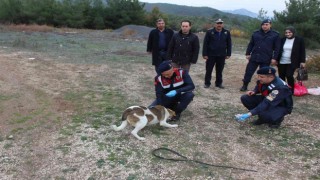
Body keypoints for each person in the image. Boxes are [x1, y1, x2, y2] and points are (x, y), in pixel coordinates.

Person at [240, 19, 281, 91]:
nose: (264, 26)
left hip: (266, 58)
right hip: (255, 56)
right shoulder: (256, 33)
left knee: (264, 74)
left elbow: (277, 48)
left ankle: (260, 88)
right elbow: (251, 44)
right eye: (263, 25)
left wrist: (274, 58)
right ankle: (245, 85)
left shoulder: (275, 35)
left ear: (270, 25)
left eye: (266, 24)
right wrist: (247, 53)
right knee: (248, 71)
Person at [202, 18, 232, 89]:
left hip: (221, 55)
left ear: (222, 24)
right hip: (211, 54)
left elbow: (229, 44)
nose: (219, 25)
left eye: (220, 23)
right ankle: (207, 83)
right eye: (218, 23)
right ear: (215, 24)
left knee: (219, 70)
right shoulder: (209, 32)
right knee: (209, 70)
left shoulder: (226, 32)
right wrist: (204, 54)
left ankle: (218, 83)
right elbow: (205, 43)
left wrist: (228, 54)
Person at [277, 26, 306, 93]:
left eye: (289, 32)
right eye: (286, 32)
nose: (287, 34)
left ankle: (291, 90)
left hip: (292, 61)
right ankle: (283, 89)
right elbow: (278, 50)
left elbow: (302, 51)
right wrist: (276, 59)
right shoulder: (282, 39)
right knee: (281, 76)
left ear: (293, 32)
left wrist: (302, 61)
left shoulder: (299, 40)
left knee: (289, 75)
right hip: (282, 61)